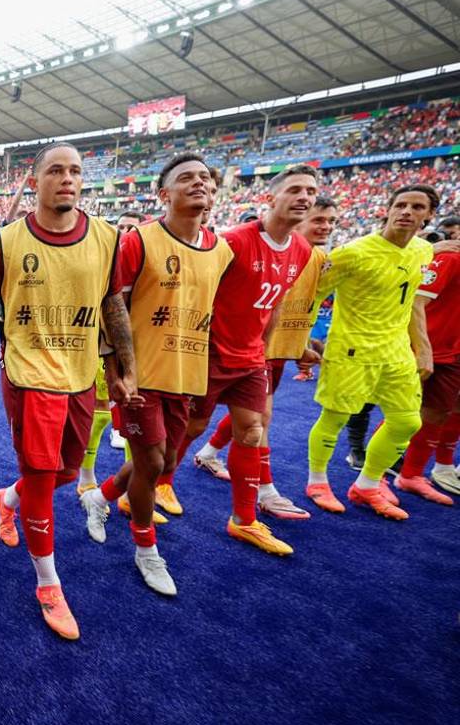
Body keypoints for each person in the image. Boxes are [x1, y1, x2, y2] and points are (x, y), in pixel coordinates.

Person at [0, 142, 137, 637]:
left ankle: (8, 500)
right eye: (56, 170)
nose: (68, 178)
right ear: (36, 179)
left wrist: (126, 368)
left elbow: (113, 306)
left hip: (82, 375)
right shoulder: (8, 239)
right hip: (29, 375)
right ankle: (48, 584)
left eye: (76, 171)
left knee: (64, 474)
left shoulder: (107, 237)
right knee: (43, 480)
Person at [79, 153, 232, 595]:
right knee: (150, 461)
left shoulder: (221, 250)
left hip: (186, 375)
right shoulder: (138, 242)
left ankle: (100, 496)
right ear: (163, 194)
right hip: (140, 376)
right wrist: (118, 371)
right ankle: (146, 549)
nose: (199, 183)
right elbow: (112, 310)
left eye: (205, 177)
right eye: (187, 178)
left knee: (160, 461)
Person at [166, 165, 317, 554]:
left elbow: (278, 301)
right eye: (295, 190)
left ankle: (244, 520)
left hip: (252, 357)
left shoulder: (302, 250)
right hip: (212, 353)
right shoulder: (232, 242)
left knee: (252, 430)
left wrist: (265, 350)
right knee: (194, 426)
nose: (304, 197)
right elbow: (199, 294)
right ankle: (156, 484)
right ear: (270, 198)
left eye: (311, 192)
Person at [192, 196, 337, 520]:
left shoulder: (320, 258)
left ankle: (238, 482)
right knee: (205, 424)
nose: (324, 227)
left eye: (331, 221)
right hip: (237, 348)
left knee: (254, 422)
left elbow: (288, 302)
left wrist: (299, 344)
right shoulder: (247, 244)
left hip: (270, 351)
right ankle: (160, 478)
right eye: (317, 220)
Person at [304, 185, 439, 519]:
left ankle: (367, 484)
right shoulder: (353, 252)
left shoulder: (424, 251)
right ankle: (317, 481)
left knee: (407, 421)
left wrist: (422, 348)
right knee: (335, 417)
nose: (407, 211)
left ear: (429, 215)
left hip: (396, 352)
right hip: (352, 348)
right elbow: (312, 294)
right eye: (401, 205)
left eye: (417, 207)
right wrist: (302, 340)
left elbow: (411, 303)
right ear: (388, 209)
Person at [395, 241, 460, 501]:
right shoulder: (450, 258)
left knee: (440, 411)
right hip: (425, 346)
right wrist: (422, 348)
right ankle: (370, 476)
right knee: (402, 411)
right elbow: (416, 301)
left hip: (453, 350)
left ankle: (411, 475)